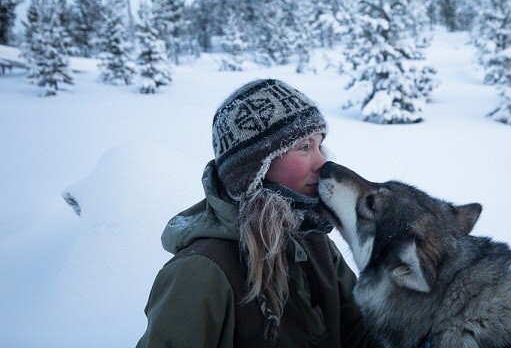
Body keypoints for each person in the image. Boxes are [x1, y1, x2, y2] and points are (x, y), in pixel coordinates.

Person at [137, 78, 378, 347]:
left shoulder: (312, 239)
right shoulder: (200, 273)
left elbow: (360, 334)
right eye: (304, 147)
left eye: (319, 145)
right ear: (254, 168)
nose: (323, 162)